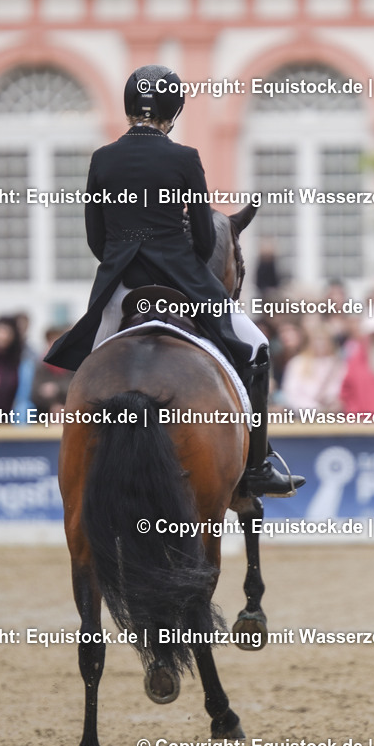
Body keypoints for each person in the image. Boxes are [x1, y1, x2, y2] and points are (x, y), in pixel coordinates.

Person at [45, 65, 304, 497]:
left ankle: (82, 463)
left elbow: (96, 237)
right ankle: (257, 467)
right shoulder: (184, 159)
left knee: (91, 373)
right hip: (183, 283)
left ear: (129, 106)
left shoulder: (102, 159)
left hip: (120, 289)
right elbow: (205, 240)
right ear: (173, 110)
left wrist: (122, 262)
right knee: (257, 349)